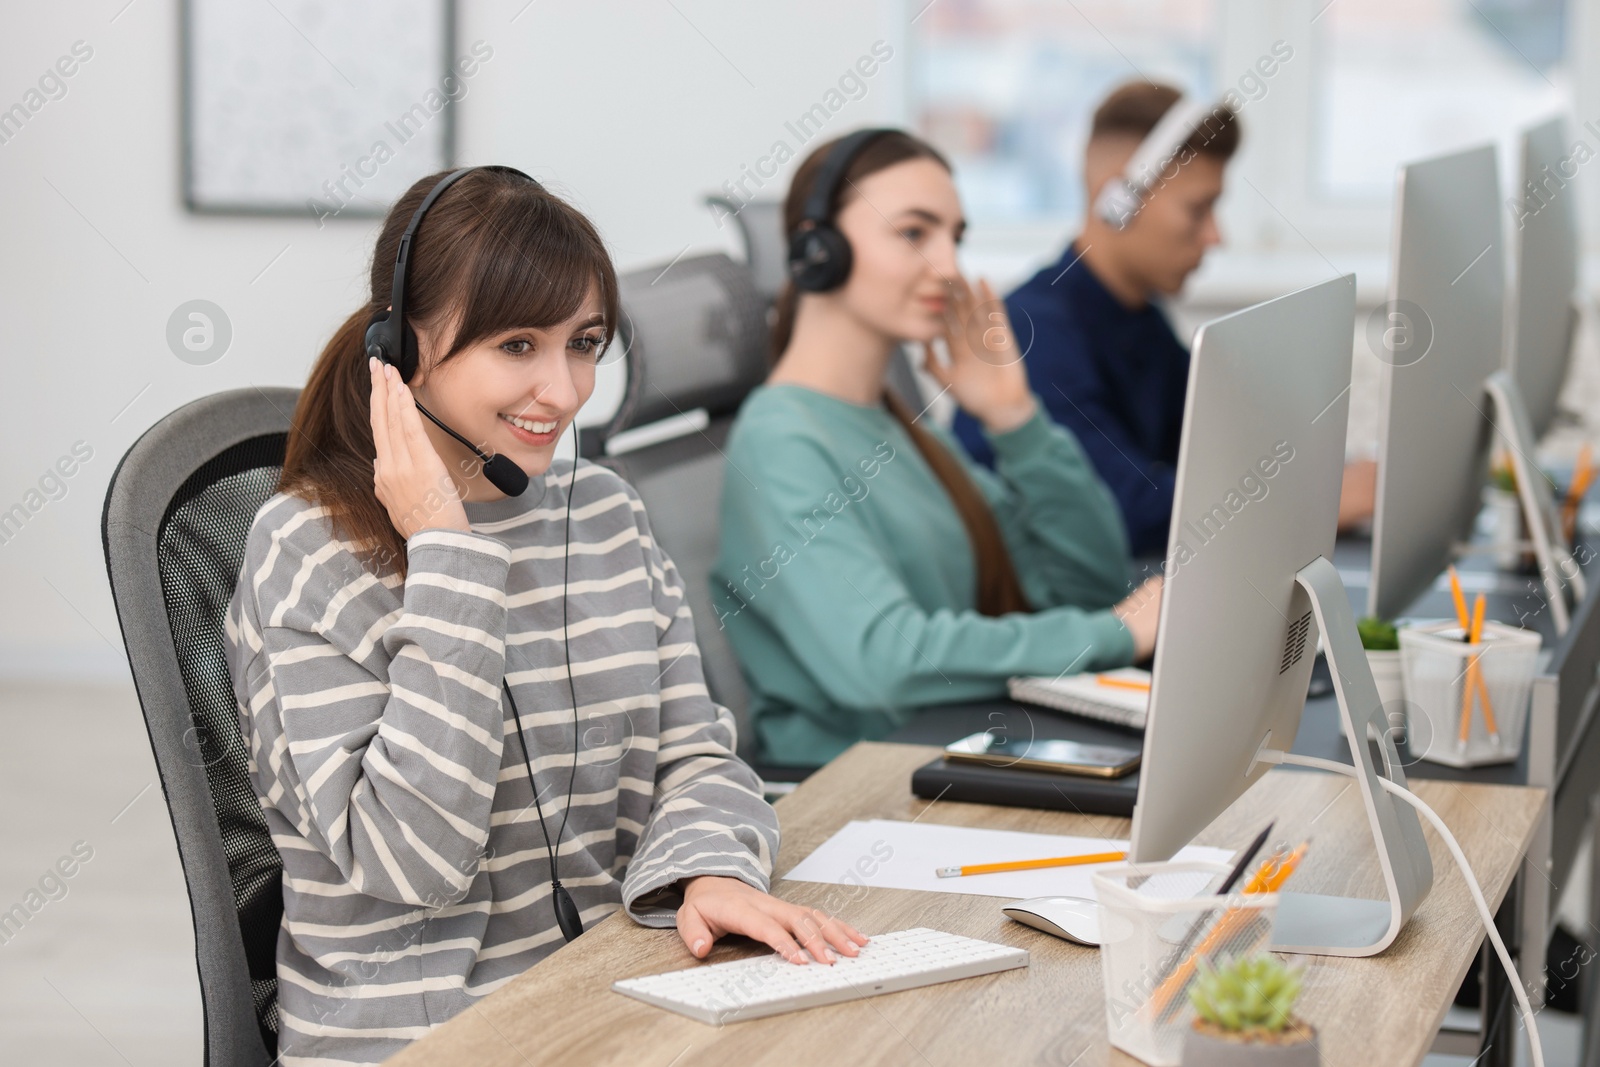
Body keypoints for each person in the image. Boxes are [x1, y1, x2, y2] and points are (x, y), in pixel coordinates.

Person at [224, 166, 866, 1066]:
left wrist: (711, 868)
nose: (565, 393)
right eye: (517, 345)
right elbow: (412, 866)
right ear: (402, 350)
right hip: (418, 1037)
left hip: (609, 992)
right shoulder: (306, 548)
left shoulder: (600, 511)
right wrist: (445, 556)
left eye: (585, 343)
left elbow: (694, 755)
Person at [710, 130, 1164, 770]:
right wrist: (1113, 634)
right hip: (860, 790)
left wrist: (1017, 419)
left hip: (955, 747)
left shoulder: (906, 430)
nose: (948, 267)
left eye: (955, 237)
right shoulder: (781, 441)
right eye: (914, 233)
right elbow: (884, 661)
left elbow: (1085, 585)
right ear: (819, 249)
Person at [951, 81, 1375, 556]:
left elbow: (1224, 452)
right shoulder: (1035, 336)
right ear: (1118, 199)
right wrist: (1317, 502)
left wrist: (1330, 473)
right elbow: (1127, 515)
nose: (1215, 236)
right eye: (1198, 210)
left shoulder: (1138, 317)